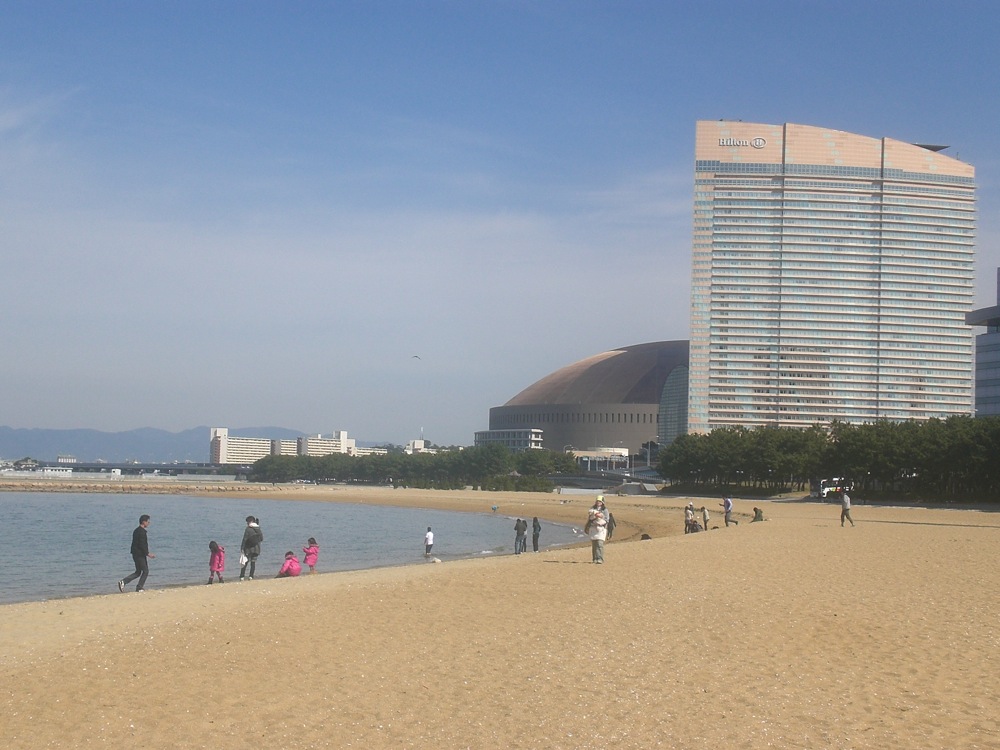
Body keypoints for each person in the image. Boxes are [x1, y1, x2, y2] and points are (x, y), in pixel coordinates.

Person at [118, 514, 155, 593]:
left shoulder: (136, 530)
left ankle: (123, 582)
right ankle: (139, 587)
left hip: (135, 554)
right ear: (143, 522)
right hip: (139, 555)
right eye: (148, 522)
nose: (149, 523)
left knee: (138, 572)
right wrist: (148, 554)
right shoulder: (141, 532)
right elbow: (142, 544)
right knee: (145, 571)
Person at [586, 497, 609, 564]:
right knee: (594, 544)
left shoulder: (605, 510)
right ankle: (594, 558)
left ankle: (600, 558)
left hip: (601, 529)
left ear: (602, 502)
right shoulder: (592, 508)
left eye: (600, 501)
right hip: (593, 528)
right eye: (597, 501)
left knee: (600, 543)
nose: (598, 502)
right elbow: (590, 517)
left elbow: (607, 519)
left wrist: (601, 517)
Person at [240, 516, 263, 580]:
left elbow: (244, 539)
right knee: (253, 563)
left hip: (248, 549)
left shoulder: (248, 529)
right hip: (257, 549)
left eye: (247, 522)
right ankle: (251, 576)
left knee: (245, 562)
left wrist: (242, 547)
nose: (247, 523)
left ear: (250, 521)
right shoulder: (258, 528)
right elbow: (261, 538)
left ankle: (242, 576)